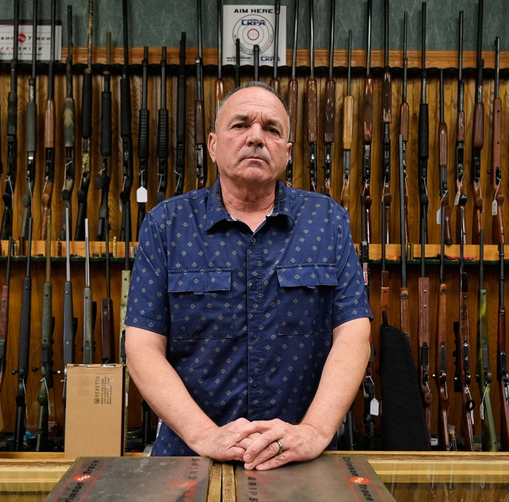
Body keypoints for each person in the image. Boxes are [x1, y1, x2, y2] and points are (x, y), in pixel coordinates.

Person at [124, 82, 371, 470]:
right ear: (212, 145)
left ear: (287, 152)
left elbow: (353, 335)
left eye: (271, 129)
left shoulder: (328, 222)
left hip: (298, 462)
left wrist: (314, 431)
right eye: (240, 125)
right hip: (189, 461)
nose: (256, 137)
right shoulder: (166, 225)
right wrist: (204, 434)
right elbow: (142, 347)